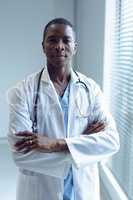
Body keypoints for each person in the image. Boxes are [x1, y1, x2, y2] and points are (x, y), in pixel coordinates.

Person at [7, 18, 120, 200]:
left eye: (66, 40)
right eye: (52, 40)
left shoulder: (91, 90)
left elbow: (112, 141)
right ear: (43, 46)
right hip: (41, 192)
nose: (59, 46)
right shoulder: (23, 91)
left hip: (82, 191)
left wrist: (55, 144)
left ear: (75, 47)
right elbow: (21, 154)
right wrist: (82, 148)